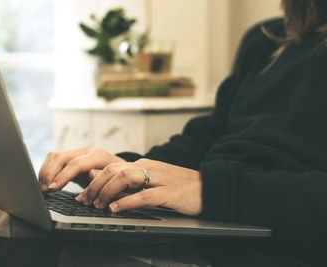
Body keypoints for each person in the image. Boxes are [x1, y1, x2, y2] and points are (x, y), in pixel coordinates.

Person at [39, 0, 327, 265]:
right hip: (204, 228)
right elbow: (208, 138)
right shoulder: (267, 39)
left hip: (269, 245)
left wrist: (211, 190)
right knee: (15, 223)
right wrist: (126, 168)